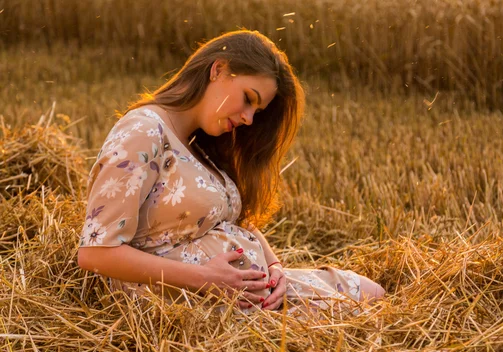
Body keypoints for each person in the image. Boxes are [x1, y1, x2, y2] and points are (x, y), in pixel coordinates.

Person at [77, 30, 385, 313]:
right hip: (188, 305)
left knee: (371, 292)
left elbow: (236, 222)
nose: (249, 118)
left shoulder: (202, 142)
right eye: (248, 99)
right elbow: (96, 253)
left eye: (257, 111)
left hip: (244, 293)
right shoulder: (144, 131)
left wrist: (275, 266)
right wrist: (203, 279)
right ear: (218, 70)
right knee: (360, 313)